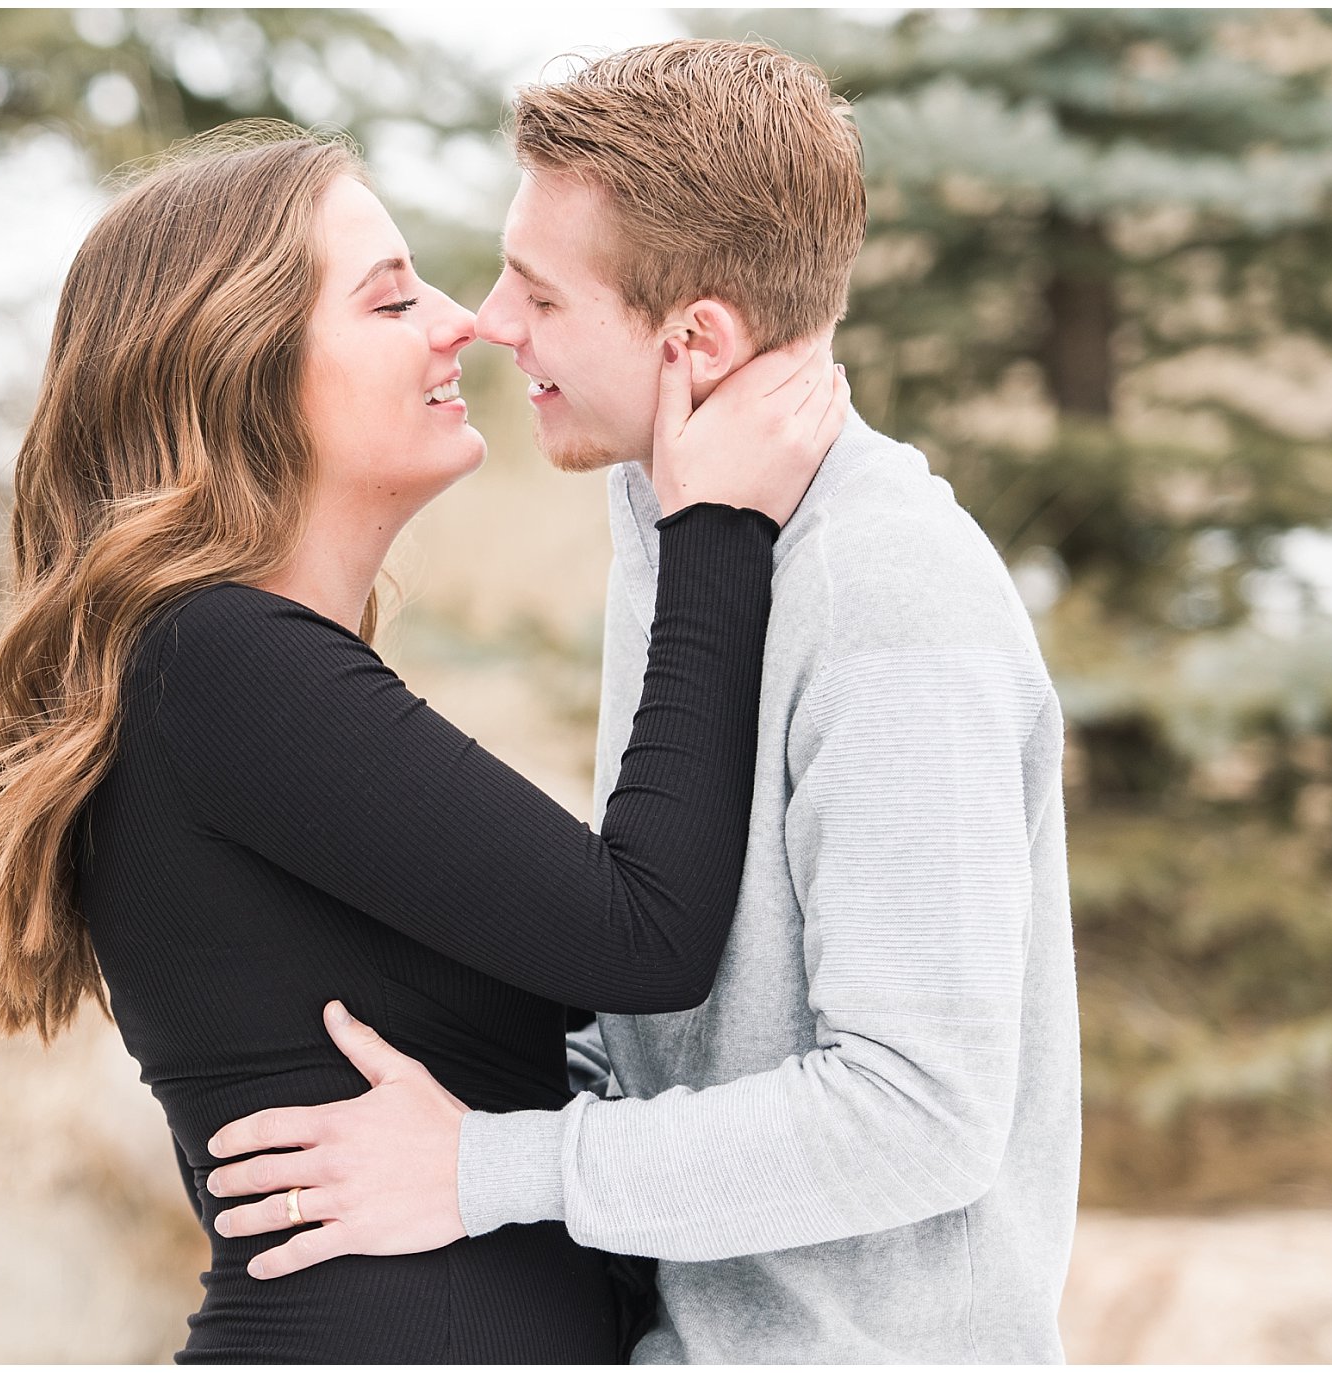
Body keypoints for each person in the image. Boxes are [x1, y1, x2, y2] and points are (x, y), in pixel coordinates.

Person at [203, 42, 1082, 1365]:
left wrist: (486, 1166)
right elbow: (687, 1010)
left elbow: (917, 1112)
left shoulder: (884, 593)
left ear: (696, 343)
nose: (491, 320)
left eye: (542, 294)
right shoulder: (671, 518)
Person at [0, 122, 847, 1363]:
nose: (461, 323)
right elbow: (642, 934)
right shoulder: (218, 665)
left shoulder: (228, 673)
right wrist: (712, 530)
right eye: (389, 301)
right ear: (244, 367)